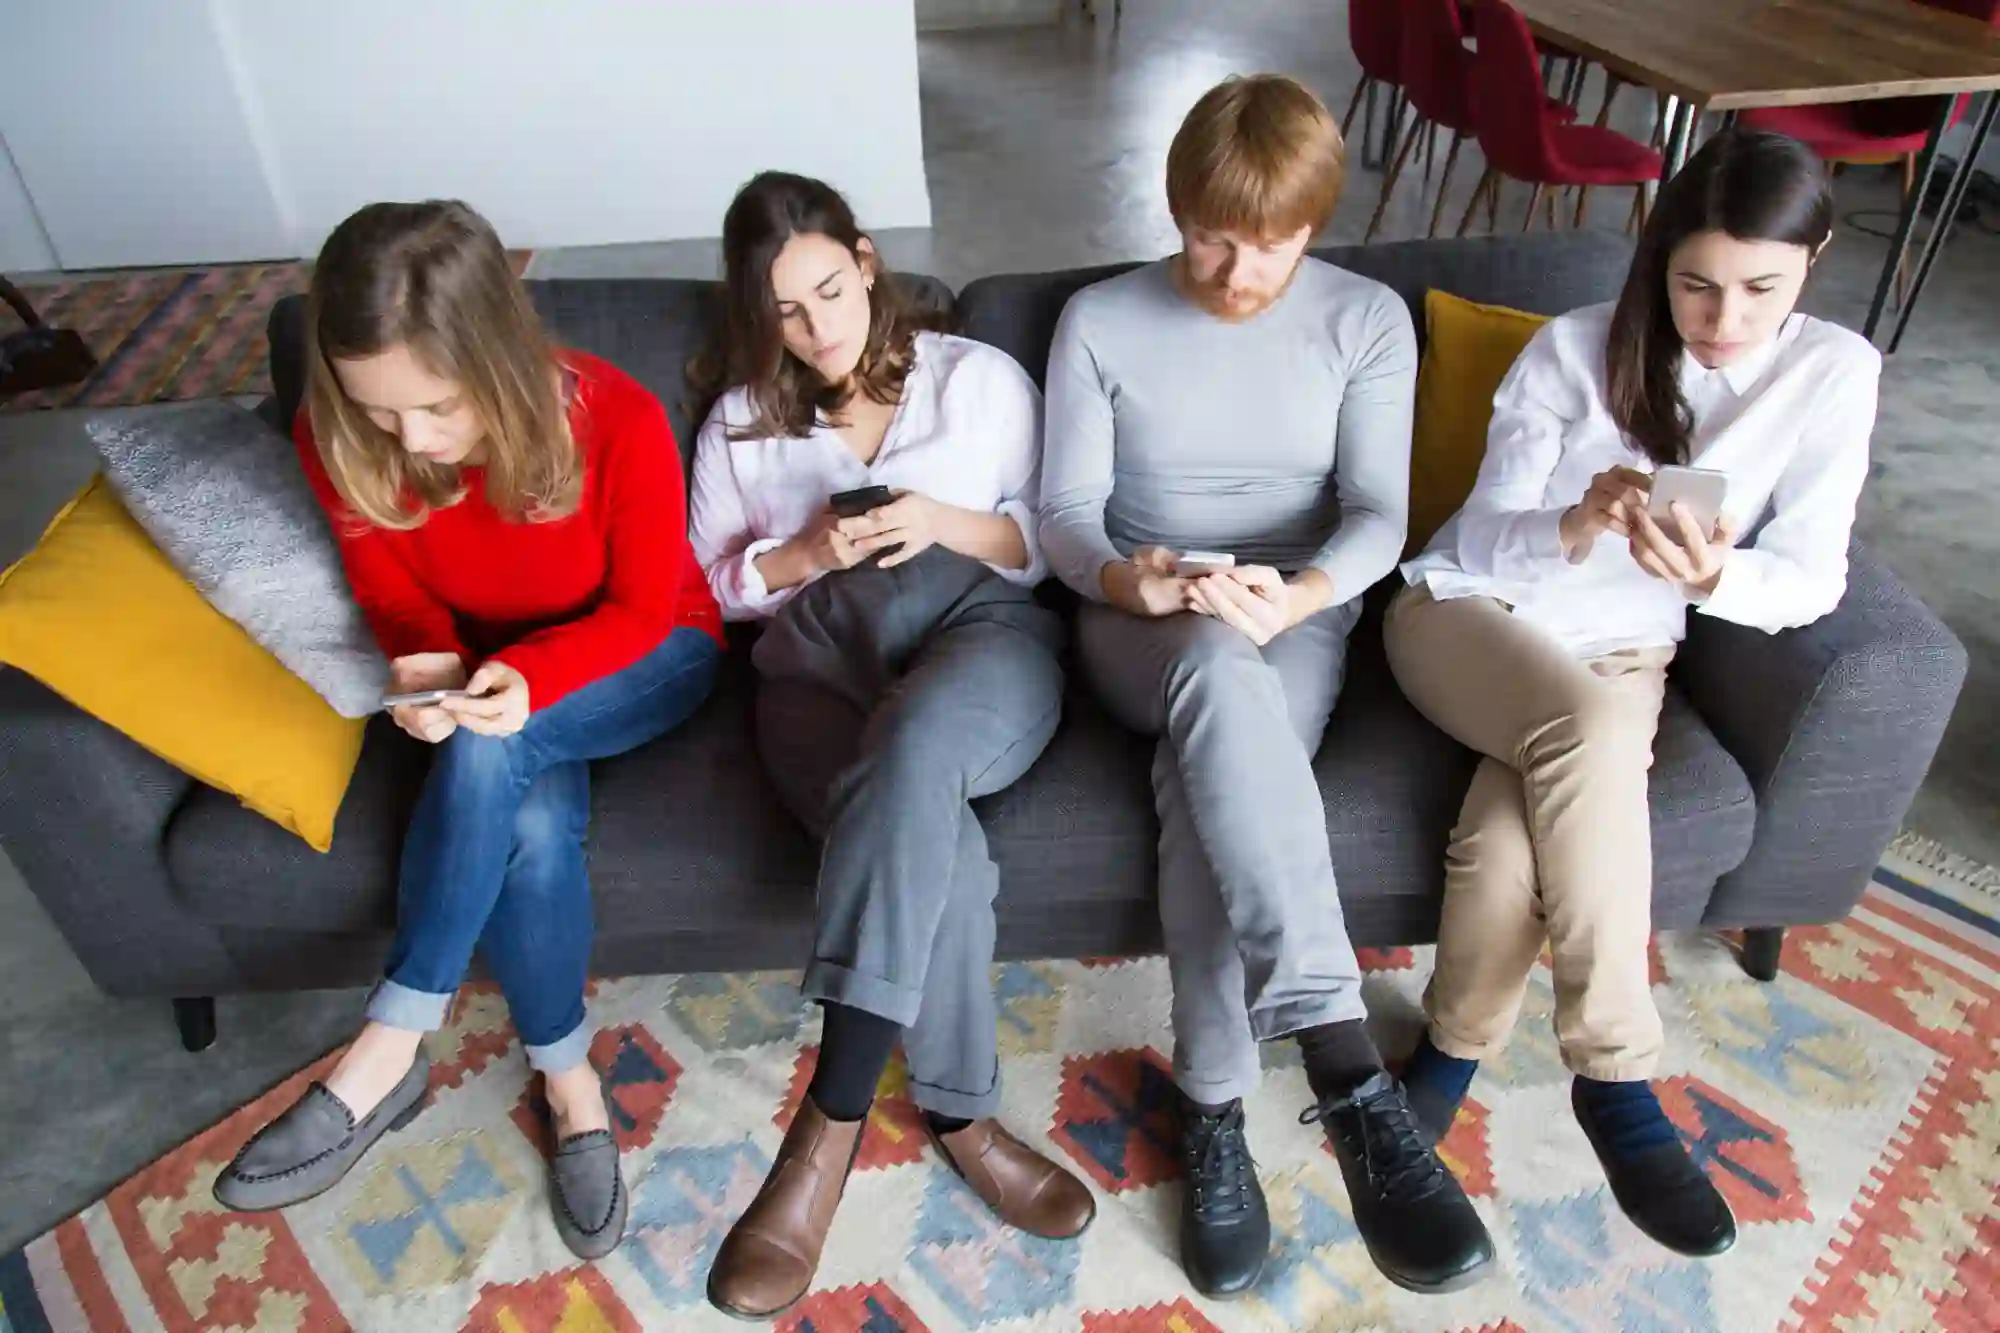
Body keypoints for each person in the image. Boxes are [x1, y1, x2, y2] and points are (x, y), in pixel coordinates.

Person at [1039, 74, 1493, 1298]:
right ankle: (1346, 1072)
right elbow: (1065, 516)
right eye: (1208, 239)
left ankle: (1218, 1113)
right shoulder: (1097, 319)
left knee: (1212, 784)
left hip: (1288, 612)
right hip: (1143, 616)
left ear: (1317, 228)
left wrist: (1293, 600)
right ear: (1171, 205)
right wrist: (1128, 583)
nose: (1237, 275)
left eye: (1274, 245)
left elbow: (1376, 514)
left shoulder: (1365, 322)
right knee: (1201, 667)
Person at [1390, 129, 1878, 1258]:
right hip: (1471, 614)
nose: (1724, 320)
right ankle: (1613, 1074)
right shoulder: (1572, 350)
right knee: (1589, 730)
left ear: (1812, 260)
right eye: (1695, 284)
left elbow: (1810, 578)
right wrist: (1572, 520)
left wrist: (1716, 576)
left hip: (1621, 649)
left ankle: (1446, 1056)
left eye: (1760, 287)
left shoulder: (1831, 375)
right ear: (1658, 261)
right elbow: (1475, 538)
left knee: (1507, 843)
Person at [212, 200, 725, 1262]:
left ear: (495, 357)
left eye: (437, 407)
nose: (412, 439)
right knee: (529, 829)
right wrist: (427, 665)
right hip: (486, 683)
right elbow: (392, 599)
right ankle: (571, 1082)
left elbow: (637, 612)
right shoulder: (339, 428)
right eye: (380, 410)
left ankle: (386, 1048)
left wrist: (521, 680)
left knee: (496, 742)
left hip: (645, 653)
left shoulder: (615, 419)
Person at [689, 172, 1093, 1321]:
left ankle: (825, 1125)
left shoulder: (975, 380)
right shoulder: (738, 420)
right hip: (816, 656)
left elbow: (1051, 541)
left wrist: (935, 521)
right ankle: (963, 1117)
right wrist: (807, 553)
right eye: (787, 313)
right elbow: (710, 586)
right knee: (940, 848)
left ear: (865, 261)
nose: (818, 329)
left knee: (916, 749)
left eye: (831, 289)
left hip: (982, 628)